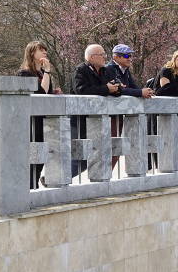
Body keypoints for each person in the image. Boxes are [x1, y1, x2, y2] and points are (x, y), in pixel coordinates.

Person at [17, 41, 63, 189]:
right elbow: (40, 94)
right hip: (31, 121)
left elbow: (46, 93)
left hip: (43, 119)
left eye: (45, 50)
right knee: (34, 153)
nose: (45, 53)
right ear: (32, 53)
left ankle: (34, 183)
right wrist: (48, 72)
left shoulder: (41, 73)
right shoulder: (24, 73)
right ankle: (30, 185)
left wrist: (54, 92)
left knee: (42, 153)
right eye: (41, 50)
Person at [70, 44, 121, 177]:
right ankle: (56, 178)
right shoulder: (81, 70)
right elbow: (81, 90)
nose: (105, 57)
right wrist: (106, 89)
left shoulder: (105, 70)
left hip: (96, 120)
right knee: (80, 155)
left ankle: (57, 178)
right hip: (80, 120)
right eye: (102, 54)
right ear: (92, 57)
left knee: (90, 156)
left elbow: (110, 88)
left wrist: (117, 88)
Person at [105, 44, 154, 170]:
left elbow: (132, 87)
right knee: (113, 147)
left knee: (116, 149)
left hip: (119, 113)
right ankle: (103, 176)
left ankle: (106, 176)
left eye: (130, 55)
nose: (130, 58)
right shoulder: (110, 69)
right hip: (109, 115)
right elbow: (119, 90)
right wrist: (140, 93)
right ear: (116, 57)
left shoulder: (125, 70)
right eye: (127, 55)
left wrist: (145, 91)